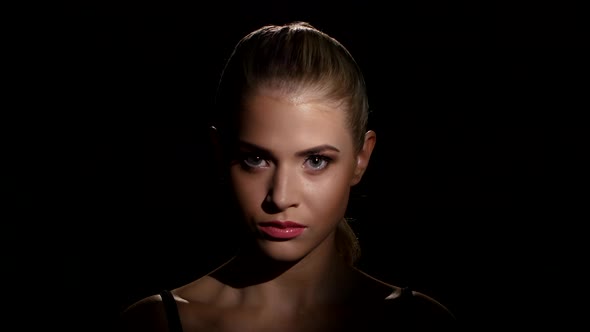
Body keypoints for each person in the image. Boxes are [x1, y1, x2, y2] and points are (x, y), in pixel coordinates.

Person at [118, 21, 457, 332]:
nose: (280, 197)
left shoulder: (420, 324)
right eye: (256, 158)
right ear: (220, 153)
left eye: (315, 160)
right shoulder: (155, 324)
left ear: (361, 158)